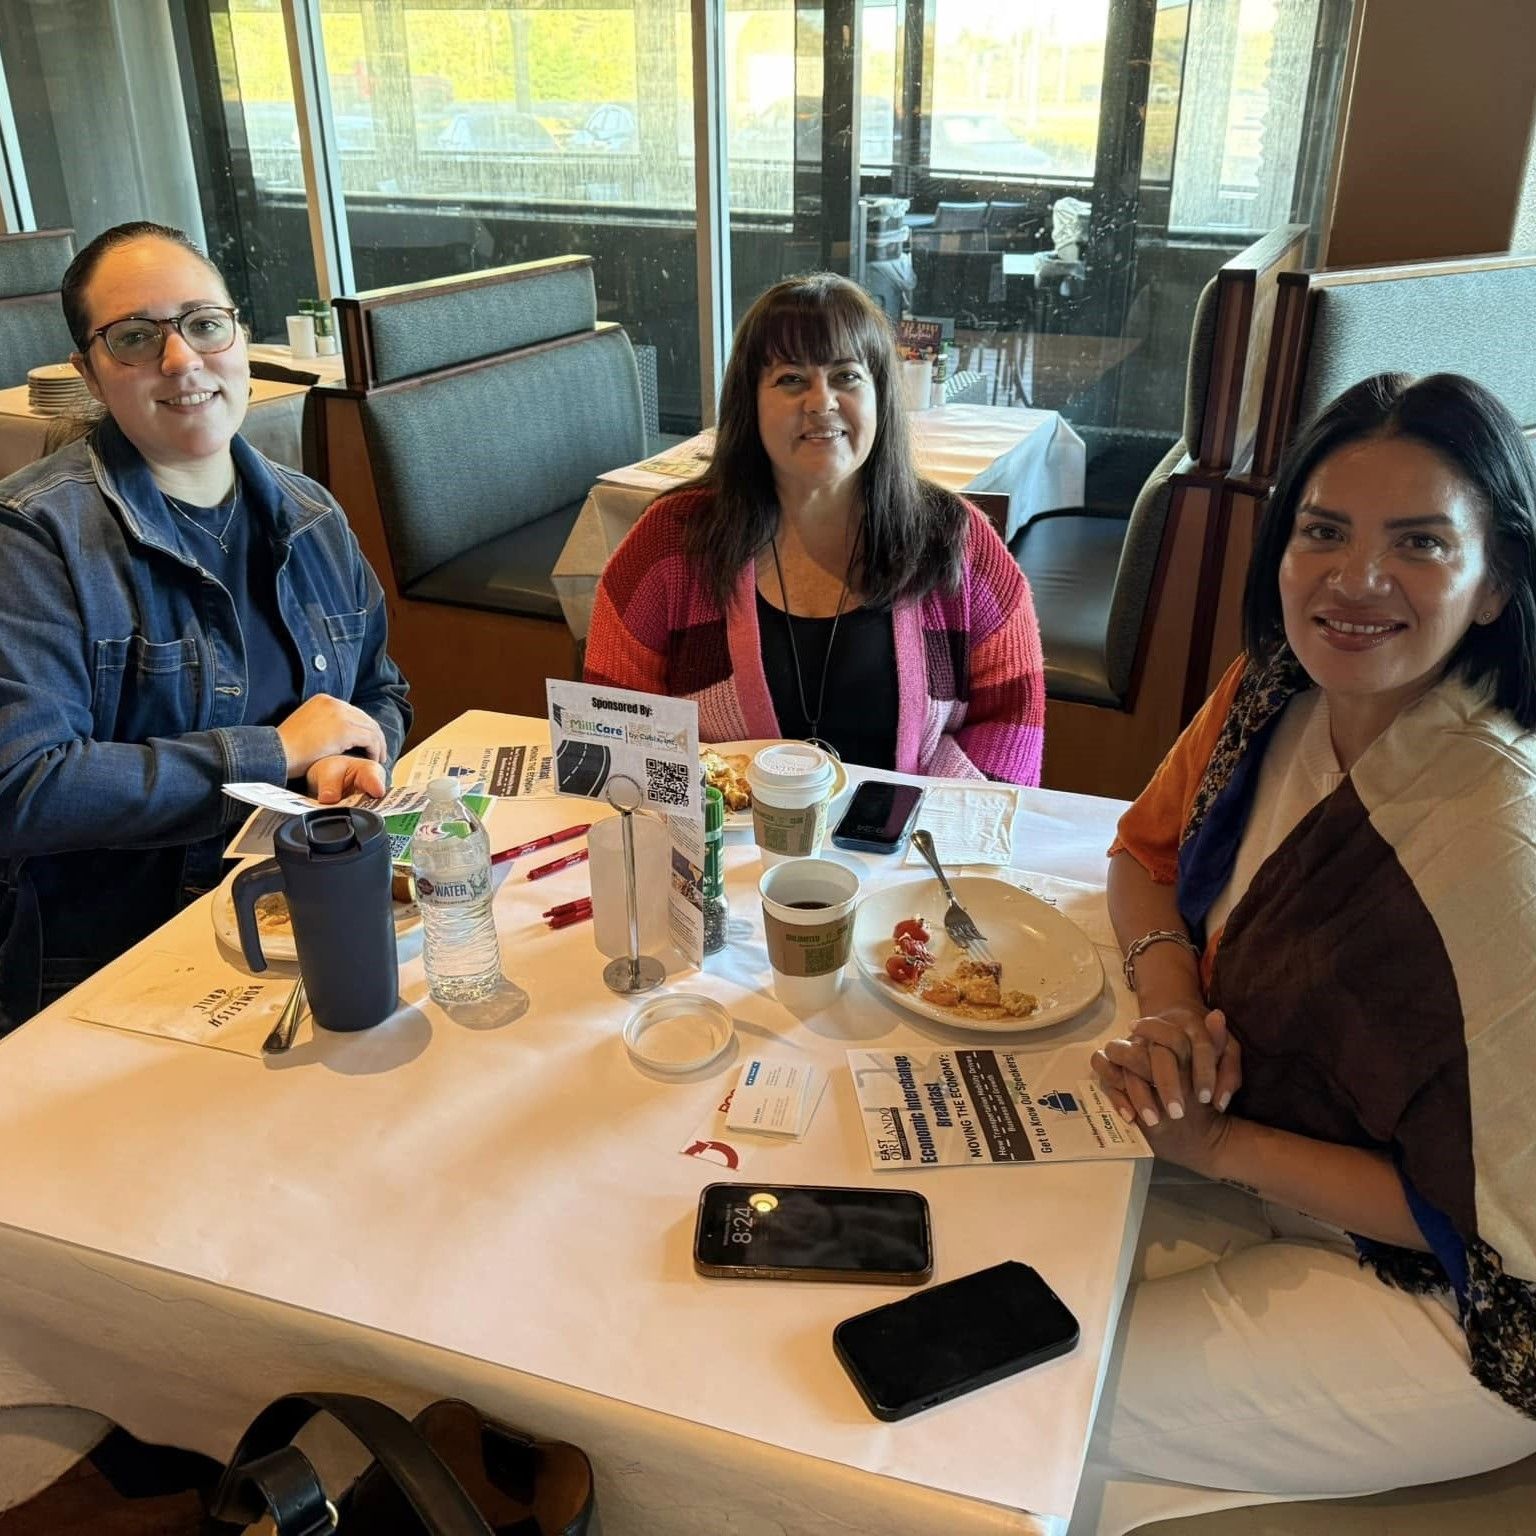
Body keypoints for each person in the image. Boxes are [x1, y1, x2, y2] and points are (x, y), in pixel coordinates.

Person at [1074, 373, 1536, 1534]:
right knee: (994, 1268)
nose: (1356, 580)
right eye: (1322, 532)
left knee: (1039, 1387)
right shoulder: (1276, 689)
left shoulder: (1495, 841)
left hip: (1460, 1304)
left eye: (1420, 543)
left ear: (1494, 589)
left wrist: (1221, 1141)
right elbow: (1139, 860)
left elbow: (1494, 1227)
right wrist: (1173, 1003)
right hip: (1268, 1156)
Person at [0, 221, 410, 1027]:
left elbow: (378, 689)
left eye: (203, 323)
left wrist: (346, 761)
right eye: (134, 338)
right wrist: (280, 752)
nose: (181, 360)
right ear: (88, 371)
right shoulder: (36, 539)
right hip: (118, 976)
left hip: (304, 930)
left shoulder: (309, 512)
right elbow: (23, 789)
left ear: (238, 336)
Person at [583, 273, 1044, 783]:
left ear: (881, 397)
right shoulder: (671, 542)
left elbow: (1012, 716)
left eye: (846, 376)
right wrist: (712, 819)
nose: (821, 401)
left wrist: (929, 833)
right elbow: (615, 721)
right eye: (791, 379)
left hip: (907, 850)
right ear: (749, 403)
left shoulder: (954, 538)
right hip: (724, 850)